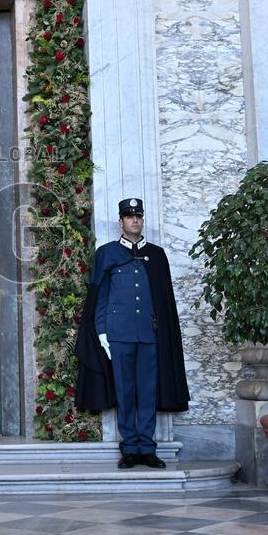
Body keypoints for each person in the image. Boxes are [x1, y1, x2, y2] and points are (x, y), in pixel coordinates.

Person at [74, 198, 189, 469]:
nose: (134, 220)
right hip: (118, 335)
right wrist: (101, 332)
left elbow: (164, 301)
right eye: (129, 216)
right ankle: (129, 448)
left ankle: (147, 448)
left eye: (138, 216)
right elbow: (99, 295)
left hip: (149, 335)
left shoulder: (157, 255)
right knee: (124, 392)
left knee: (147, 391)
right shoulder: (107, 253)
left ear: (142, 220)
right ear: (121, 221)